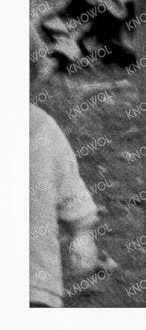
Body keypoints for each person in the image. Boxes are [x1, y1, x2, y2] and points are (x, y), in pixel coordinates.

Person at [31, 48, 99, 308]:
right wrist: (81, 232)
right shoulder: (40, 124)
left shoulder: (39, 126)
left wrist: (82, 234)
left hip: (34, 281)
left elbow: (71, 191)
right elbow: (74, 198)